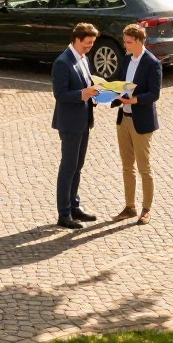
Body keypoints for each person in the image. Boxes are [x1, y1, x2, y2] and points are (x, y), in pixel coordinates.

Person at [111, 23, 162, 225]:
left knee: (144, 167)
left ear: (140, 41)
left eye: (129, 42)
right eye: (124, 41)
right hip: (123, 119)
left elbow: (154, 94)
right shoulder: (126, 60)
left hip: (142, 121)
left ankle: (146, 209)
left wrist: (134, 100)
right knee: (127, 166)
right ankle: (129, 207)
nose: (125, 45)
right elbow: (120, 84)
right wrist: (108, 94)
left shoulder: (152, 63)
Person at [52, 23, 100, 229]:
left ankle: (74, 206)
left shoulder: (83, 58)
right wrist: (83, 94)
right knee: (68, 167)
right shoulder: (62, 62)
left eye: (92, 43)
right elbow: (60, 94)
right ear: (77, 40)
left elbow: (86, 85)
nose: (90, 47)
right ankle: (63, 214)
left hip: (83, 120)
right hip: (70, 123)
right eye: (88, 43)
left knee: (77, 167)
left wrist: (94, 94)